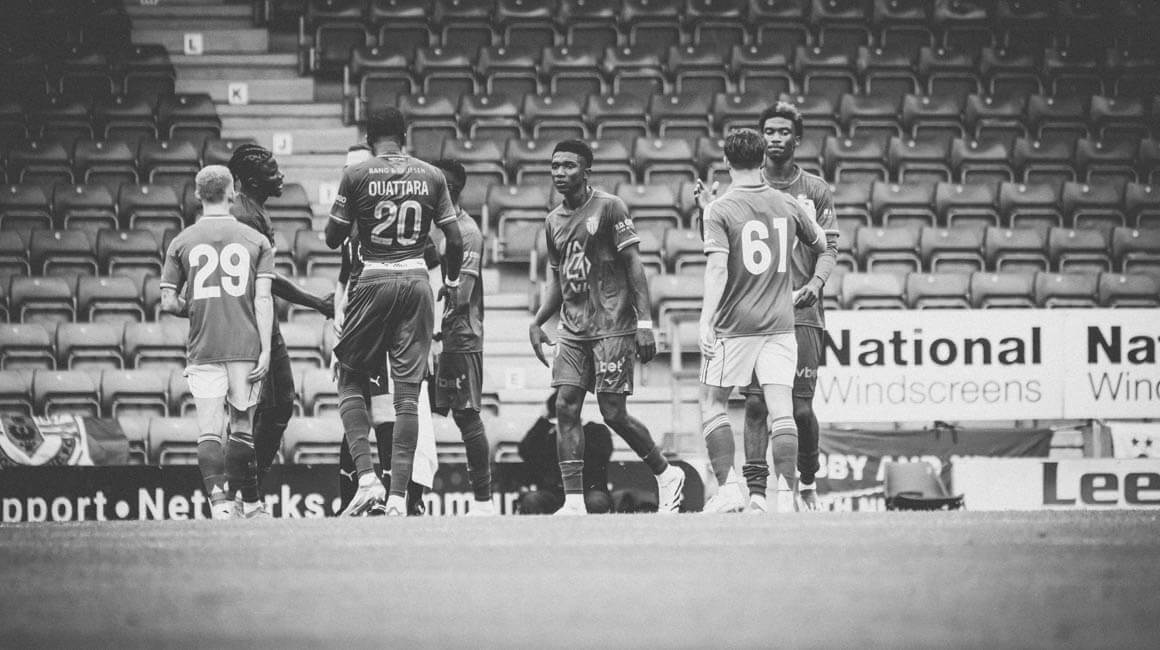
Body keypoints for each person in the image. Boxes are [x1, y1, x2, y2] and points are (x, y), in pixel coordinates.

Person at [528, 139, 686, 516]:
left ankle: (667, 474)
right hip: (573, 328)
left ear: (587, 171)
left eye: (568, 166)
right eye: (555, 166)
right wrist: (537, 319)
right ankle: (573, 502)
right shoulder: (552, 221)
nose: (560, 172)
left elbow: (634, 265)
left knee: (612, 412)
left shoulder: (610, 207)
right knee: (565, 405)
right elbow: (559, 280)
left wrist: (644, 322)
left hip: (612, 324)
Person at [325, 107, 464, 516]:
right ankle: (399, 498)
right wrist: (451, 281)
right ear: (404, 136)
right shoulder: (432, 175)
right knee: (407, 396)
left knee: (349, 376)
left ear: (370, 138)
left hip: (374, 277)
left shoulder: (357, 174)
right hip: (417, 279)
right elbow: (454, 240)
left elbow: (333, 237)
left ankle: (367, 478)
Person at [695, 129, 827, 513]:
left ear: (727, 161)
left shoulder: (719, 208)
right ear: (762, 159)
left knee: (712, 401)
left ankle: (729, 490)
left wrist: (706, 320)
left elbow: (717, 268)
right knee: (781, 409)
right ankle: (785, 496)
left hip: (734, 323)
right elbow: (820, 243)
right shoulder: (787, 203)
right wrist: (807, 221)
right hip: (782, 323)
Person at [159, 165, 275, 519]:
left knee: (209, 429)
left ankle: (220, 505)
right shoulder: (256, 240)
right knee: (241, 426)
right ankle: (241, 501)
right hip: (245, 345)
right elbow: (263, 299)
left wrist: (194, 308)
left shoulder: (181, 242)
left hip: (204, 344)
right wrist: (267, 348)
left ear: (198, 195)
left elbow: (168, 302)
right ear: (232, 193)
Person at [743, 102, 840, 512]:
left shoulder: (814, 189)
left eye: (784, 132)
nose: (776, 138)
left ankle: (808, 482)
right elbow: (722, 240)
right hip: (757, 313)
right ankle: (756, 493)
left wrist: (816, 284)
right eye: (769, 131)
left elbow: (829, 247)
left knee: (800, 410)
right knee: (755, 404)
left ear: (797, 139)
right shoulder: (746, 187)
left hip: (802, 312)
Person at [226, 144, 335, 493]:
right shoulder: (244, 217)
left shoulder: (253, 210)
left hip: (261, 323)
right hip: (252, 327)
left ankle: (244, 491)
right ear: (252, 181)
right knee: (267, 410)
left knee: (275, 407)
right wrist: (317, 303)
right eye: (271, 172)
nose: (281, 176)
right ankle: (242, 492)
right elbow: (265, 280)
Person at [332, 144, 430, 517]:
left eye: (357, 167)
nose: (350, 175)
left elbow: (431, 265)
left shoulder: (399, 227)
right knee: (360, 408)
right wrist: (338, 322)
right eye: (347, 168)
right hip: (361, 320)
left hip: (390, 319)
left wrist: (432, 336)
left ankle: (397, 496)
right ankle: (367, 492)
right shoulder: (351, 230)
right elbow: (345, 280)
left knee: (387, 408)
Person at [430, 159, 494, 516]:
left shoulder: (466, 232)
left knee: (466, 416)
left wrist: (435, 332)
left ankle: (484, 502)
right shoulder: (431, 228)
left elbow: (462, 295)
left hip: (458, 337)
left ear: (448, 188)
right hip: (428, 337)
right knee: (414, 411)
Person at [516, 389, 613, 515]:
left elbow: (602, 455)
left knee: (596, 501)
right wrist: (543, 421)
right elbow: (525, 450)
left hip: (587, 490)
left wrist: (573, 434)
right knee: (532, 500)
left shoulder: (595, 431)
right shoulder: (548, 433)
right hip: (552, 493)